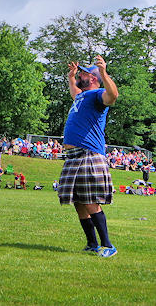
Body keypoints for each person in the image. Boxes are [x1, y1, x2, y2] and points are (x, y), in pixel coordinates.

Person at [58, 56, 119, 258]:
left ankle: (108, 245)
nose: (81, 75)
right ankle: (92, 244)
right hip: (74, 156)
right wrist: (71, 77)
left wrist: (104, 72)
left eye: (84, 73)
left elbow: (113, 95)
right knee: (79, 203)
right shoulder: (82, 96)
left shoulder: (97, 95)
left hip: (89, 154)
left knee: (92, 201)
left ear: (92, 78)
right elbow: (74, 91)